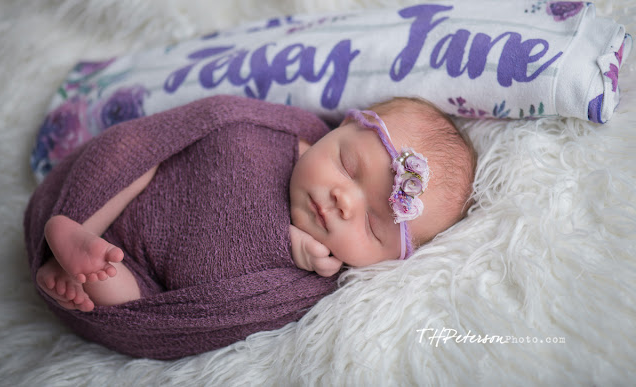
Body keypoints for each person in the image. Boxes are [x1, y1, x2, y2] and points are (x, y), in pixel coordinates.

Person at [25, 94, 475, 358]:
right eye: (348, 165)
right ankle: (79, 225)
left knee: (127, 294)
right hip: (149, 181)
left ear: (390, 260)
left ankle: (81, 270)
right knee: (137, 158)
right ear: (339, 128)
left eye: (373, 226)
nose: (344, 200)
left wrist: (288, 248)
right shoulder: (277, 131)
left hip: (143, 270)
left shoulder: (310, 280)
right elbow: (208, 120)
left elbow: (218, 316)